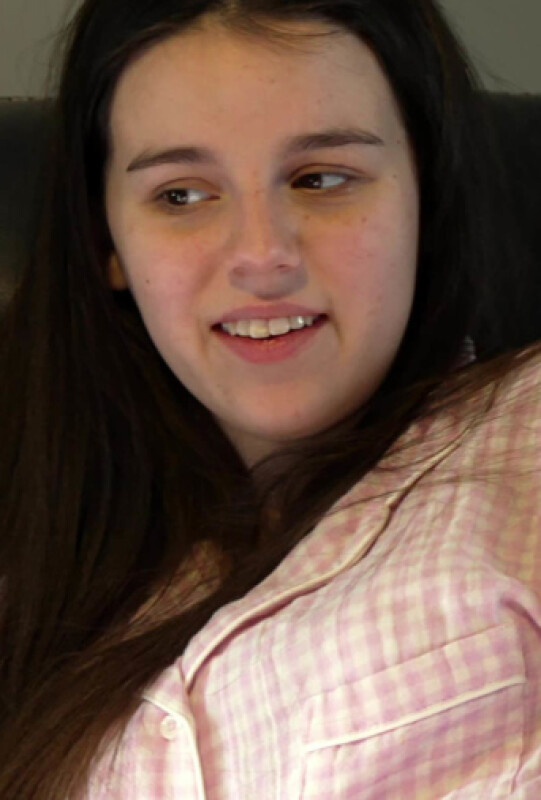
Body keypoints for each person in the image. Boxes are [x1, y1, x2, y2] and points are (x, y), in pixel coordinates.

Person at [0, 0, 540, 797]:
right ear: (106, 241)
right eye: (181, 196)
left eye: (321, 179)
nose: (261, 256)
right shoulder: (48, 571)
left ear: (423, 200)